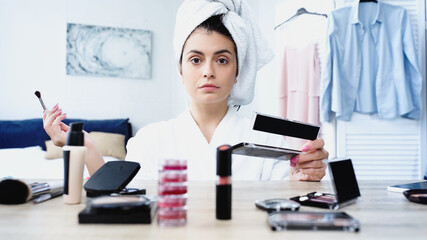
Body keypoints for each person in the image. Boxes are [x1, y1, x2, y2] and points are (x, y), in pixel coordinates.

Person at [43, 0, 328, 181]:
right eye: (195, 59)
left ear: (238, 70)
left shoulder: (268, 138)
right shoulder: (150, 140)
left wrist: (304, 174)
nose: (208, 71)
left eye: (222, 59)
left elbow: (288, 198)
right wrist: (88, 148)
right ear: (180, 69)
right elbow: (124, 201)